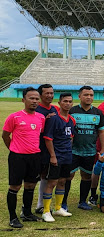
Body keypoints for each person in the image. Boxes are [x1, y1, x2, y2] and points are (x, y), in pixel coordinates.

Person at [3, 87, 46, 228]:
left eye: (36, 99)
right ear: (23, 100)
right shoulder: (14, 117)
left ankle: (26, 213)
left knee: (31, 185)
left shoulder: (41, 117)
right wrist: (14, 149)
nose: (34, 101)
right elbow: (5, 135)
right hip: (18, 157)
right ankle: (13, 217)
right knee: (15, 186)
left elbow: (39, 135)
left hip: (34, 156)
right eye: (31, 98)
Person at [67, 86, 104, 211]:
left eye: (91, 95)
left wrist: (103, 149)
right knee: (68, 176)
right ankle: (63, 203)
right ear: (79, 96)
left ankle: (83, 201)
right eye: (86, 95)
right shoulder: (72, 111)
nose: (89, 97)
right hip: (73, 150)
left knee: (86, 176)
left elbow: (102, 131)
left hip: (90, 150)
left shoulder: (97, 112)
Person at [41, 92, 75, 222]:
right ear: (59, 103)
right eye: (65, 101)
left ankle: (58, 208)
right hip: (56, 155)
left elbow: (71, 137)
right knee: (52, 182)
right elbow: (48, 139)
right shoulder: (53, 118)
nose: (67, 104)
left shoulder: (72, 120)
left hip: (67, 155)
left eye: (70, 101)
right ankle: (46, 211)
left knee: (63, 181)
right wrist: (53, 156)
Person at [35, 84, 59, 214]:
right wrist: (45, 121)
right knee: (33, 178)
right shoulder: (37, 110)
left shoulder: (55, 109)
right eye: (47, 93)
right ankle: (27, 206)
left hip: (50, 148)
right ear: (40, 95)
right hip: (37, 148)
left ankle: (40, 204)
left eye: (51, 93)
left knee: (46, 176)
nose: (50, 95)